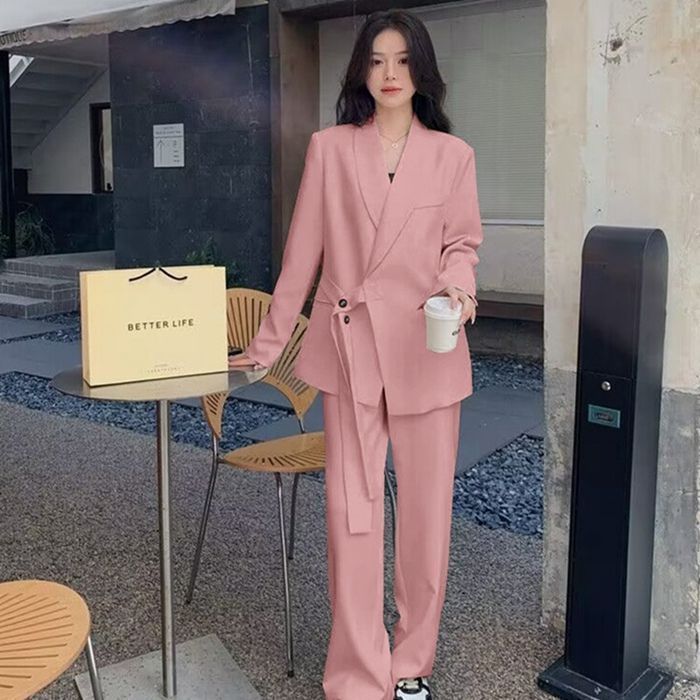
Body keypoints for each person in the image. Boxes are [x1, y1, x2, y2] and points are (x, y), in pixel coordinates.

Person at [230, 9, 482, 700]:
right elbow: (301, 255)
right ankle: (356, 672)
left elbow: (462, 243)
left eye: (402, 60)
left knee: (427, 516)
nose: (389, 73)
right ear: (360, 71)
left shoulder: (452, 156)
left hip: (428, 349)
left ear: (421, 69)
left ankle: (412, 661)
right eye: (376, 60)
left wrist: (459, 289)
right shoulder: (331, 148)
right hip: (350, 348)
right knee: (353, 514)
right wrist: (268, 343)